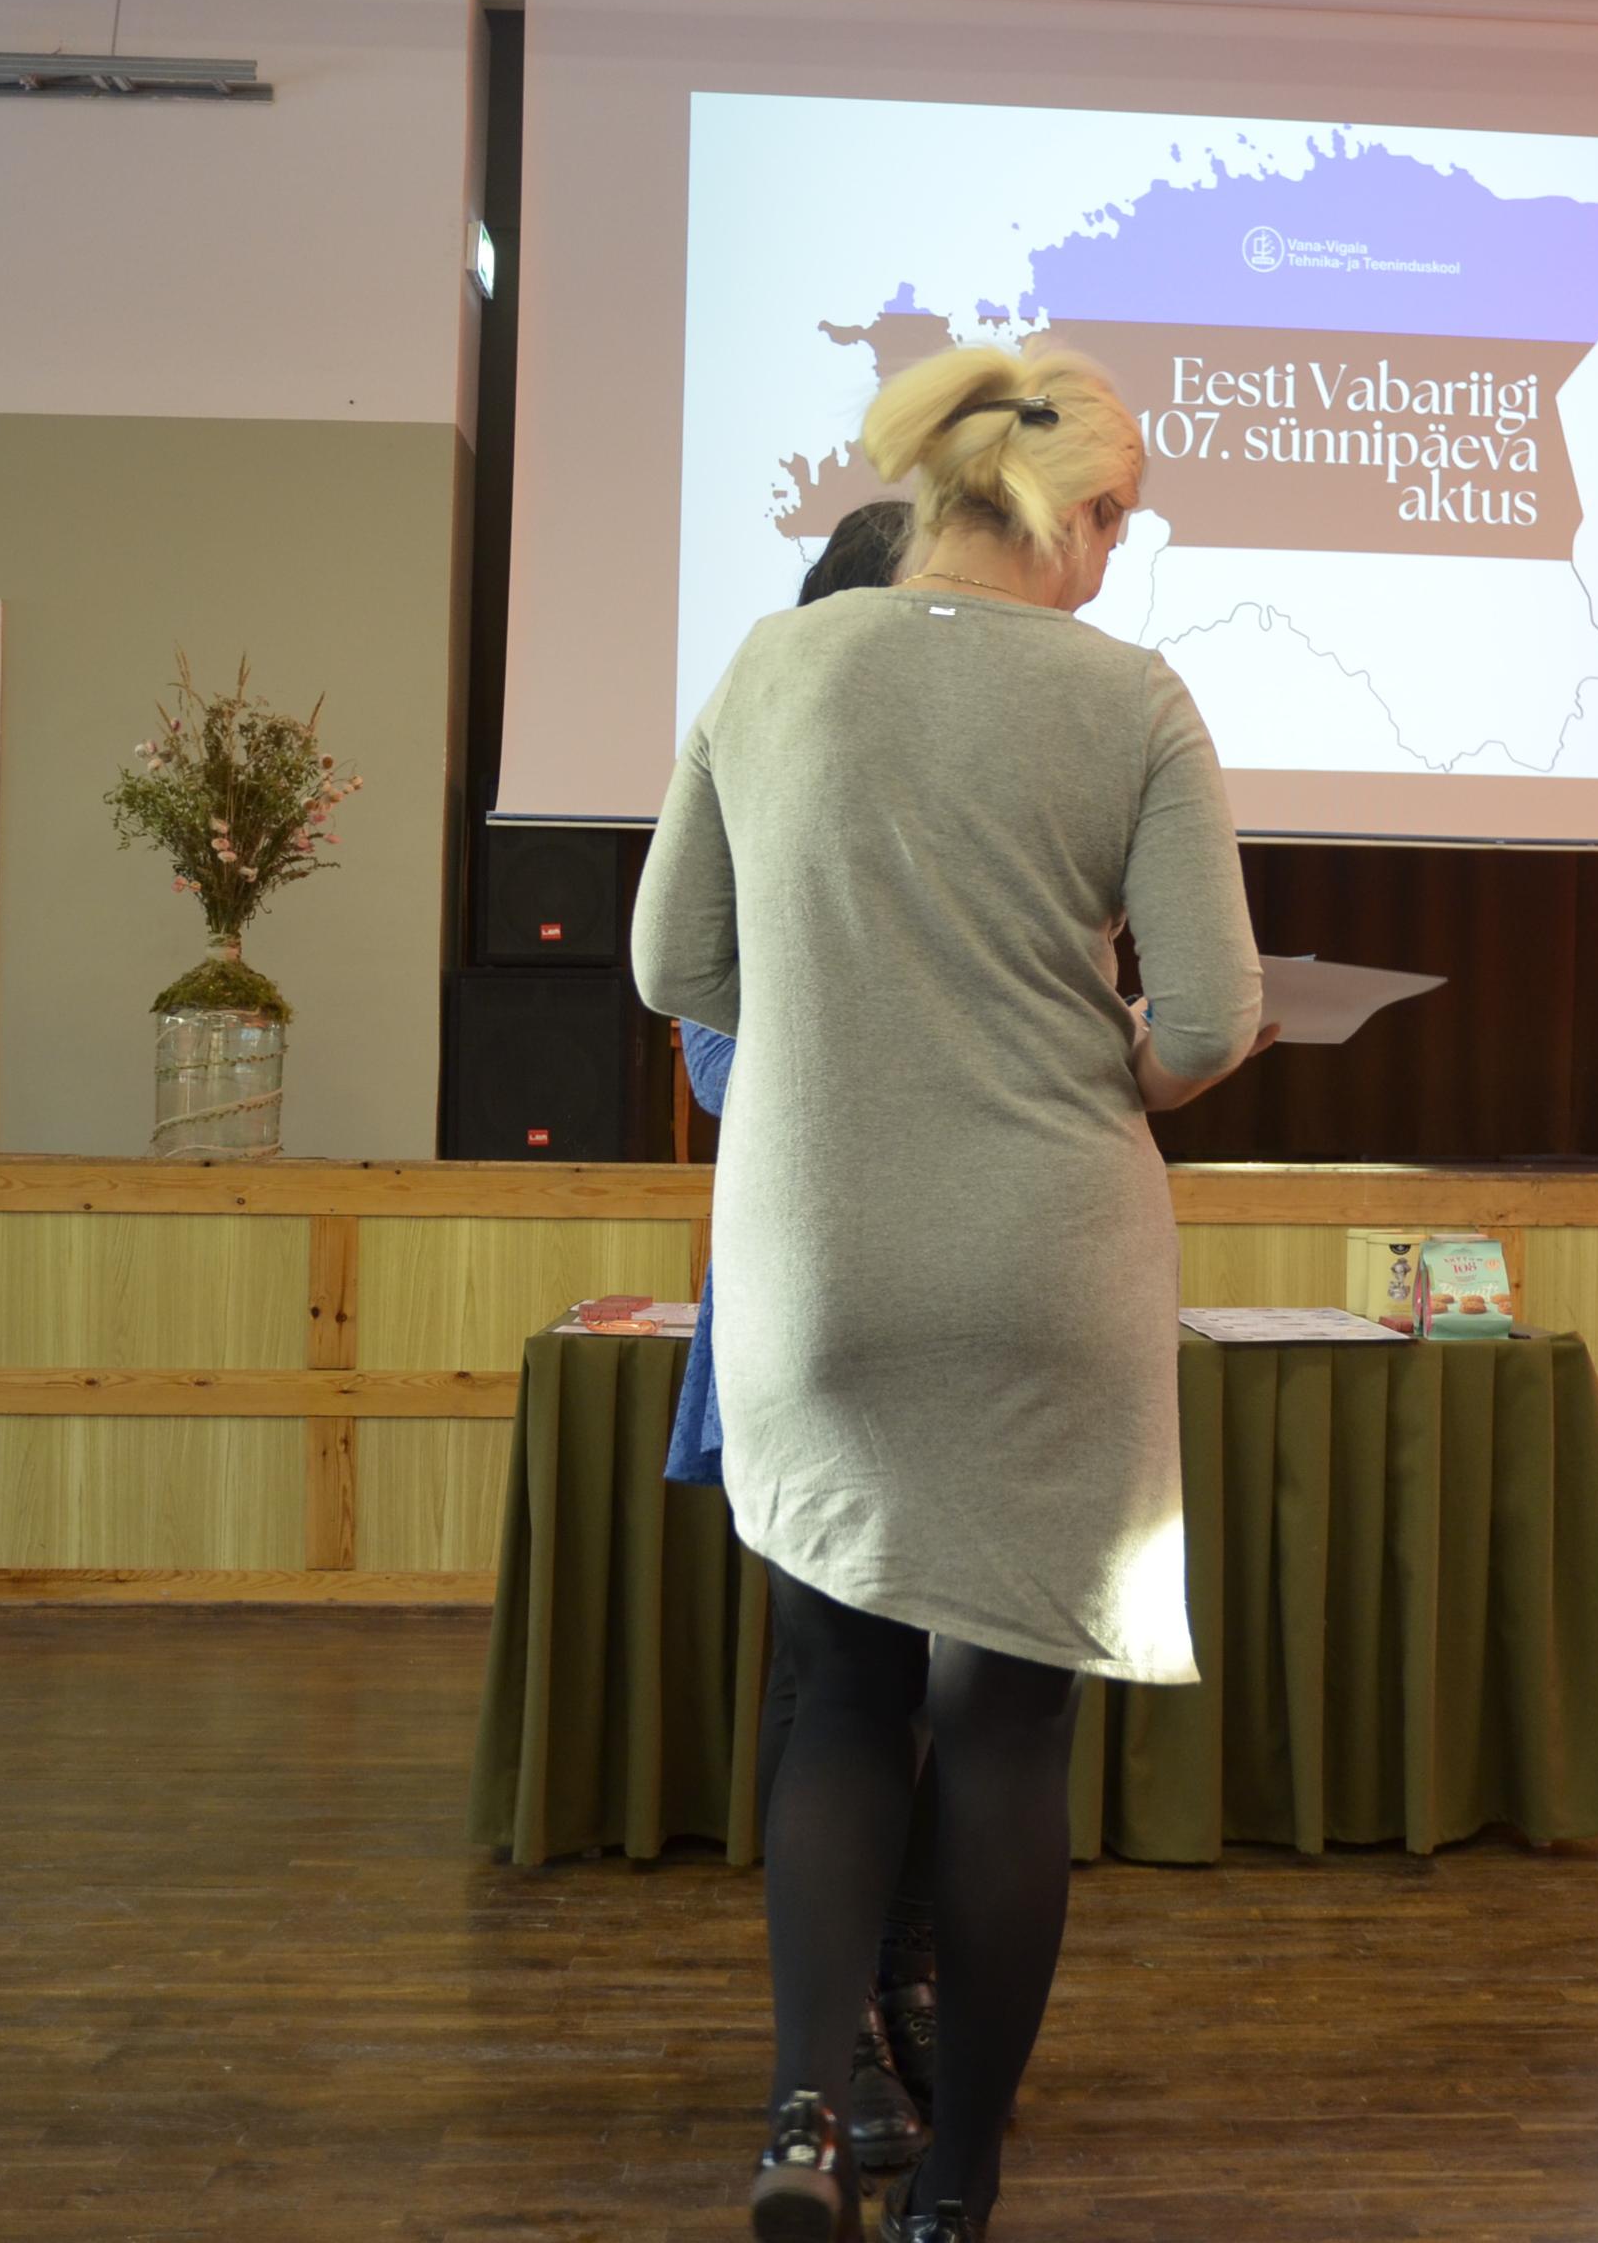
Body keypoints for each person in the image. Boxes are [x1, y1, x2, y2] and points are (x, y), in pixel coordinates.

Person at [632, 339, 1270, 2243]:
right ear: (1074, 512)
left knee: (839, 1688)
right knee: (1003, 1726)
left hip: (820, 1252)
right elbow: (1211, 1020)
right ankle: (964, 2176)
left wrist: (854, 1039)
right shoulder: (1132, 696)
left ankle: (803, 2111)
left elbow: (675, 967)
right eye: (1119, 526)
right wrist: (1089, 1059)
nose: (1114, 560)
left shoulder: (772, 666)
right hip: (1047, 1255)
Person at [663, 495, 942, 2176]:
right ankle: (830, 2043)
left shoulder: (995, 779)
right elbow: (711, 1062)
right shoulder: (751, 772)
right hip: (811, 1278)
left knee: (959, 1676)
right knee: (833, 1670)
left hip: (976, 1284)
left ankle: (909, 1988)